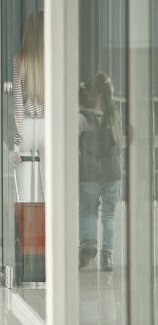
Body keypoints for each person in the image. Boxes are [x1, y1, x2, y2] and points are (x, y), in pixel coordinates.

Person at [78, 72, 122, 271]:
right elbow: (120, 144)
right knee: (109, 214)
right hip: (111, 173)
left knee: (88, 210)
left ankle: (88, 244)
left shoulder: (82, 117)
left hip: (89, 173)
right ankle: (107, 255)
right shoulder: (114, 114)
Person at [13, 11, 45, 202]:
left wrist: (15, 142)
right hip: (51, 127)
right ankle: (51, 231)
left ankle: (27, 231)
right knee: (52, 189)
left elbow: (17, 103)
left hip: (26, 128)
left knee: (25, 193)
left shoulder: (19, 61)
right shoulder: (56, 60)